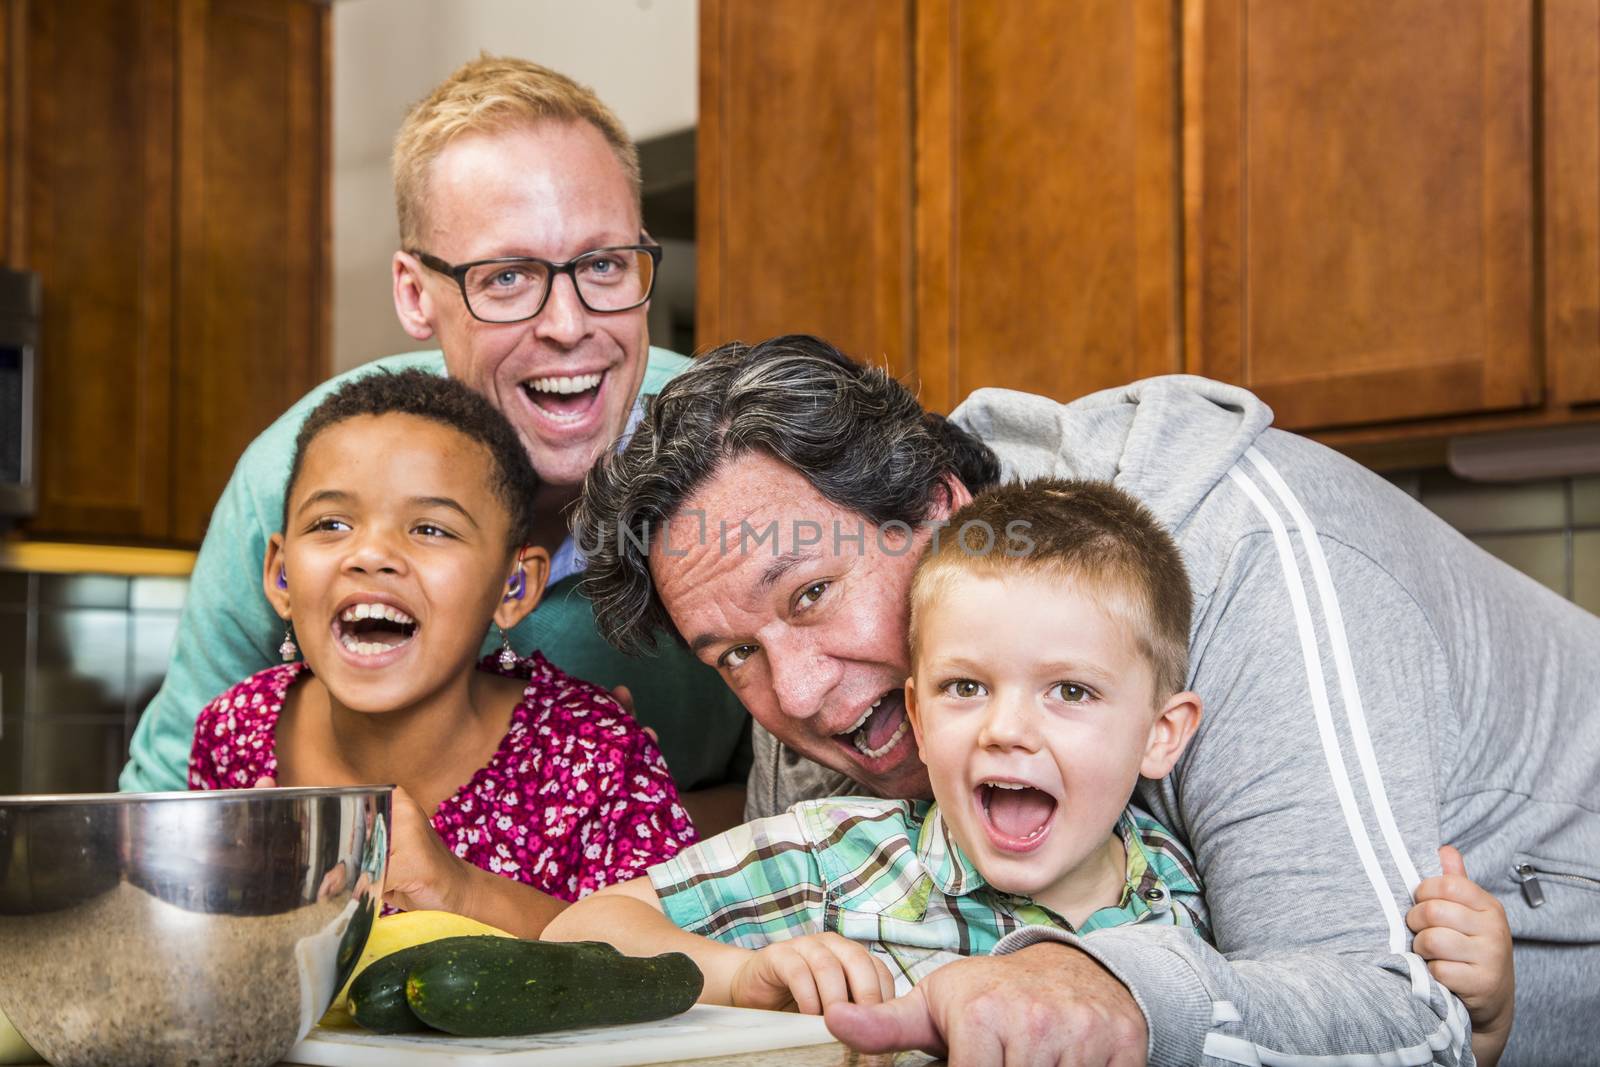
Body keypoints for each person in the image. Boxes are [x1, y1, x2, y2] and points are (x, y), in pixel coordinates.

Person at [573, 334, 1598, 1065]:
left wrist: (1113, 990)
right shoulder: (851, 693)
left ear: (938, 509)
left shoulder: (1246, 563)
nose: (792, 692)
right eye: (733, 655)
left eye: (811, 593)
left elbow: (1401, 1018)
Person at [120, 56, 751, 834]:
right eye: (507, 277)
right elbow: (162, 815)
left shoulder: (742, 467)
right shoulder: (300, 477)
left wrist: (605, 810)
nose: (567, 325)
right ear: (416, 294)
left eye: (602, 264)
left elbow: (834, 802)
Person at [545, 479, 1212, 1009]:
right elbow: (580, 934)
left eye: (1070, 691)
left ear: (1161, 735)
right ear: (918, 715)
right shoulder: (838, 855)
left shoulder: (1181, 889)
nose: (1006, 729)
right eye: (966, 687)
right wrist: (742, 973)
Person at [189, 370, 693, 938]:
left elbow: (676, 964)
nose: (372, 554)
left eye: (430, 529)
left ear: (514, 587)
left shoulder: (597, 756)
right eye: (331, 523)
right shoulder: (234, 733)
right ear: (281, 573)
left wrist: (455, 887)